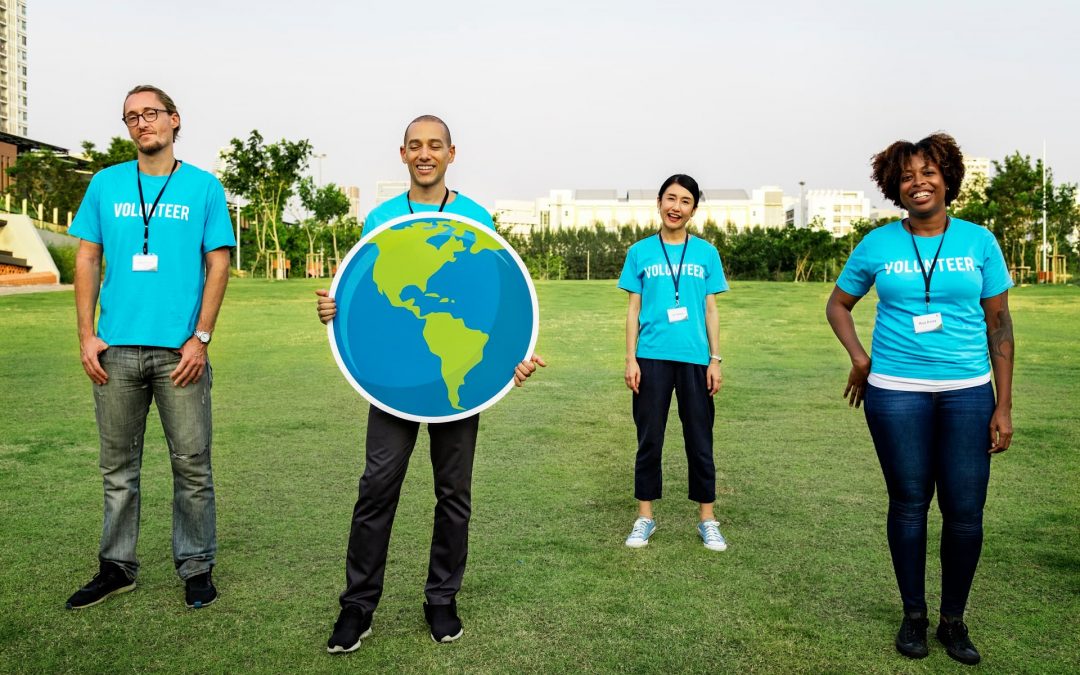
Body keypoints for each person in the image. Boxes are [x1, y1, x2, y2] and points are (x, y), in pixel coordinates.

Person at [316, 115, 545, 652]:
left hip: (456, 375)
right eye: (415, 146)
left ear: (451, 153)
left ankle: (441, 599)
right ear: (402, 154)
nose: (425, 154)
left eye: (434, 146)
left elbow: (493, 296)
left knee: (453, 495)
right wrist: (334, 306)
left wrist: (513, 356)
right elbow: (366, 296)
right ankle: (357, 607)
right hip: (393, 379)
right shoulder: (381, 218)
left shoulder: (474, 218)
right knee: (376, 488)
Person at [825, 133, 1014, 666]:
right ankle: (913, 616)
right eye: (907, 175)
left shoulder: (980, 242)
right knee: (908, 505)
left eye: (928, 171)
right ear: (894, 186)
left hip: (967, 392)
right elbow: (838, 305)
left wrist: (1002, 404)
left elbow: (999, 324)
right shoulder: (878, 244)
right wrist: (861, 359)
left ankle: (954, 620)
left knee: (965, 510)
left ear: (947, 177)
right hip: (896, 394)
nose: (918, 182)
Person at [66, 85, 235, 611]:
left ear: (174, 120)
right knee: (118, 467)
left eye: (151, 114)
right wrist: (87, 335)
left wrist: (201, 337)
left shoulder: (204, 188)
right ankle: (116, 567)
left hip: (179, 354)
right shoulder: (105, 183)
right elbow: (88, 260)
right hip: (114, 351)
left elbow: (218, 265)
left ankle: (196, 566)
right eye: (131, 117)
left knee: (192, 464)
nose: (142, 124)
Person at [617, 174, 729, 552]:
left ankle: (707, 520)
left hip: (696, 360)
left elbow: (711, 309)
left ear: (693, 209)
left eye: (684, 201)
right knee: (649, 439)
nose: (675, 207)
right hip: (650, 359)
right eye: (669, 198)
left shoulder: (706, 253)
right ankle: (645, 517)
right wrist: (630, 358)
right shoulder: (640, 252)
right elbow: (633, 310)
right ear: (659, 202)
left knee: (700, 440)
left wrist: (715, 359)